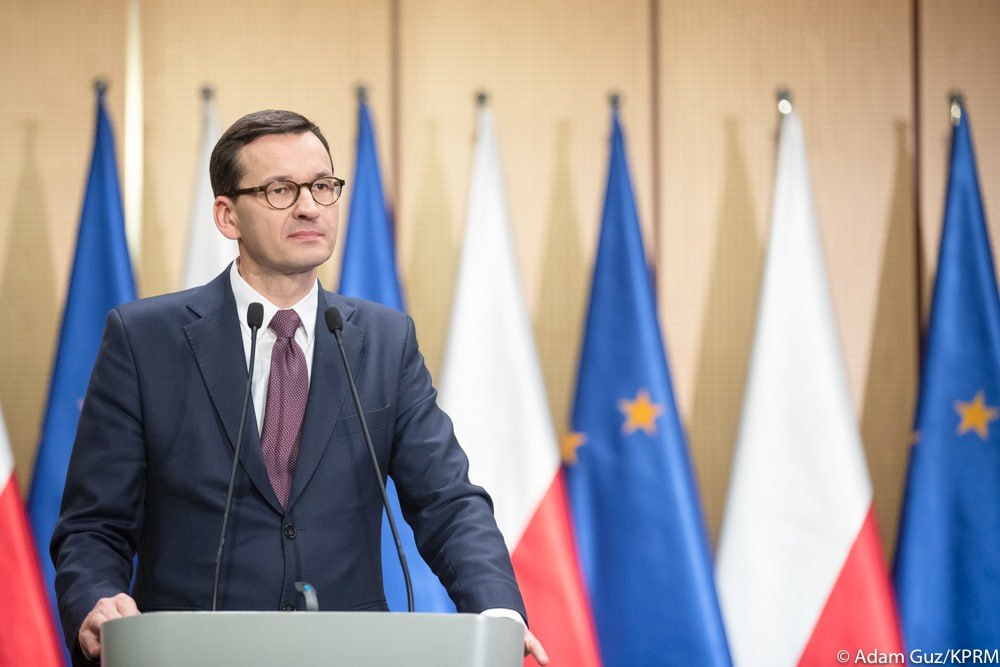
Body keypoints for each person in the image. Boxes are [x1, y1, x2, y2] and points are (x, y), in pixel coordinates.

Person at [51, 109, 548, 665]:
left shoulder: (385, 341)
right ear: (227, 216)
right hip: (191, 651)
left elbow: (447, 502)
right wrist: (95, 600)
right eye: (280, 190)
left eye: (322, 186)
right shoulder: (145, 340)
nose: (309, 206)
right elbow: (95, 524)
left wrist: (498, 611)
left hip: (351, 654)